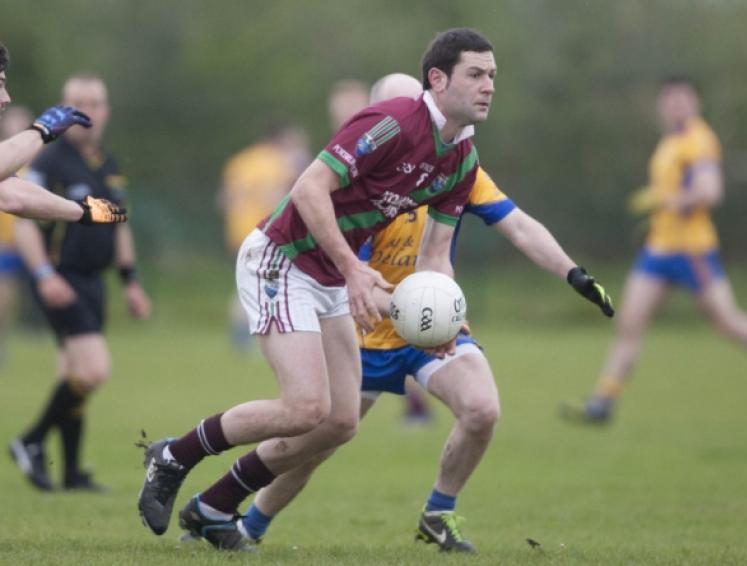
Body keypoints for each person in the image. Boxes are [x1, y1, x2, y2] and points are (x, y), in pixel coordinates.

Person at [139, 27, 506, 549]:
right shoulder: (391, 121)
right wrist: (353, 270)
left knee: (338, 422)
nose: (488, 85)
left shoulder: (462, 161)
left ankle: (213, 507)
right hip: (281, 258)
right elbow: (309, 187)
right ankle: (173, 456)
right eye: (475, 74)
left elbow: (434, 258)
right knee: (305, 407)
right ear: (438, 79)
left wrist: (444, 323)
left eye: (492, 75)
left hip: (328, 274)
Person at [226, 73, 613, 554]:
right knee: (317, 441)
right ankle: (243, 523)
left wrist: (572, 273)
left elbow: (517, 225)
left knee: (482, 408)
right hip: (364, 328)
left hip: (428, 324)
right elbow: (338, 264)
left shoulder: (454, 164)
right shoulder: (359, 174)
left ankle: (439, 511)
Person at [562, 76, 747, 425]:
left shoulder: (698, 140)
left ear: (695, 103)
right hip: (659, 250)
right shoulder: (670, 142)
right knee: (629, 322)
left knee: (728, 321)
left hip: (693, 250)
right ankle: (603, 402)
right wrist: (660, 212)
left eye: (683, 99)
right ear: (661, 105)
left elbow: (711, 191)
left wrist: (670, 200)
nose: (676, 105)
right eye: (670, 99)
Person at [8, 73, 151, 492]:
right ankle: (30, 441)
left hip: (94, 279)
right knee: (93, 370)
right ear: (65, 108)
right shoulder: (49, 160)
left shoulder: (109, 164)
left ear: (107, 109)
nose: (90, 110)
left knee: (74, 374)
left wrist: (131, 282)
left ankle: (70, 473)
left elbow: (119, 222)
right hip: (60, 277)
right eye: (80, 102)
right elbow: (22, 220)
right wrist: (43, 274)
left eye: (97, 102)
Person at [328, 77, 434, 425]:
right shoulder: (346, 171)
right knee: (324, 425)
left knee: (478, 406)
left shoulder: (435, 164)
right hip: (363, 299)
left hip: (397, 293)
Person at [0, 42, 125, 224]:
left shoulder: (109, 161)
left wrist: (82, 210)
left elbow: (13, 197)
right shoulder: (50, 159)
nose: (6, 98)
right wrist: (41, 130)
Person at [218, 121, 308, 349]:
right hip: (266, 233)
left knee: (242, 285)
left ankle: (243, 338)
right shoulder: (279, 163)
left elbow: (224, 200)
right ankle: (265, 336)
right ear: (279, 140)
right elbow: (291, 196)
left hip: (238, 232)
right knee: (271, 285)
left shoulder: (239, 161)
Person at [0, 105, 33, 365]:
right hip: (7, 243)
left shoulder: (38, 160)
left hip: (34, 241)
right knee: (5, 299)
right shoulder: (4, 158)